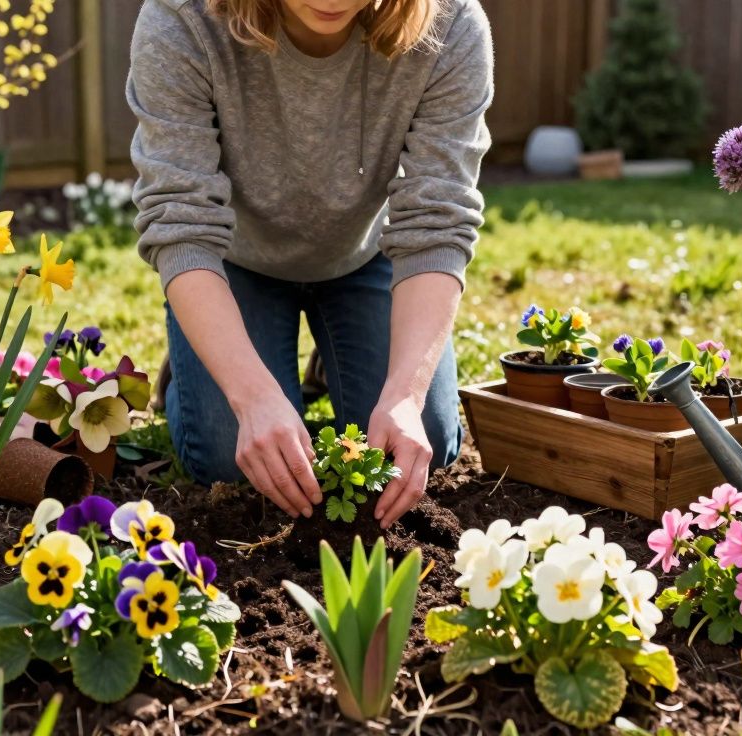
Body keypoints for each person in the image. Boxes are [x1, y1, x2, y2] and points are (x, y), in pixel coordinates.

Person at [127, 0, 493, 528]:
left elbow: (437, 225)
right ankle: (207, 355)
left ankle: (333, 355)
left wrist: (406, 396)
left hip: (365, 258)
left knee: (425, 438)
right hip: (234, 263)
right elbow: (180, 225)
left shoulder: (451, 25)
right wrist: (250, 398)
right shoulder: (181, 19)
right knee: (231, 457)